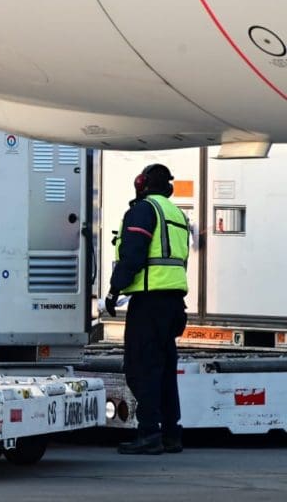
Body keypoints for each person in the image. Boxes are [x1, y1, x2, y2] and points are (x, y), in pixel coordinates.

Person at [105, 163, 189, 455]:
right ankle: (171, 434)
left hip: (149, 302)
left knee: (142, 368)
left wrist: (114, 290)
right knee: (164, 370)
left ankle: (149, 433)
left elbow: (133, 254)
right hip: (173, 302)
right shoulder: (176, 213)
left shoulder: (144, 210)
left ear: (141, 184)